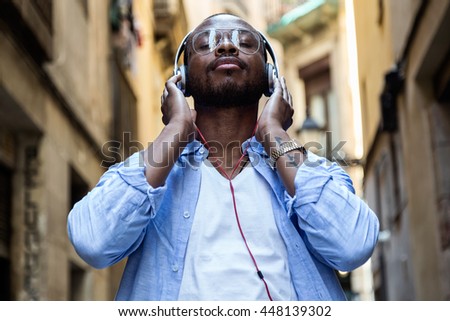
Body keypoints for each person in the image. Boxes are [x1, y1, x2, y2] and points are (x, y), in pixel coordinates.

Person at [67, 13, 379, 301]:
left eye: (245, 43)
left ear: (271, 76)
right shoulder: (150, 171)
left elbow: (353, 246)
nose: (227, 45)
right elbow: (93, 242)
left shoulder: (311, 175)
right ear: (183, 77)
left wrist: (274, 134)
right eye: (206, 43)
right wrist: (175, 130)